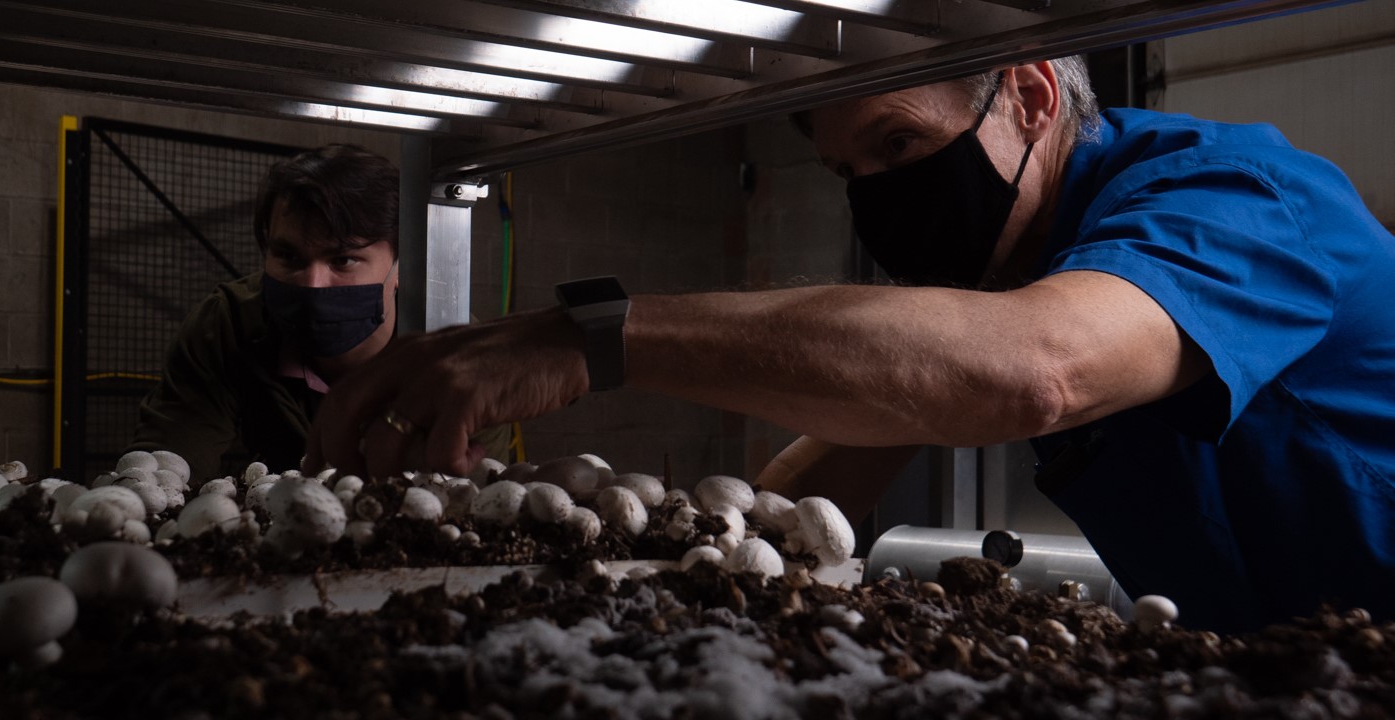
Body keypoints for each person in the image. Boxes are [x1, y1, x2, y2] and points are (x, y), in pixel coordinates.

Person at [301, 57, 1395, 634]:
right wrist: (694, 560)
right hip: (1300, 679)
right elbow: (839, 461)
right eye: (849, 174)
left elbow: (1033, 369)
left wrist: (597, 336)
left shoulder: (1233, 198)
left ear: (1027, 93)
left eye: (900, 145)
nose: (883, 200)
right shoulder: (1011, 252)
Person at [128, 143, 506, 483]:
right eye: (288, 257)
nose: (312, 284)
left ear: (402, 266)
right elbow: (168, 461)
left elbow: (469, 498)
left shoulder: (457, 356)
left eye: (343, 259)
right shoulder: (229, 325)